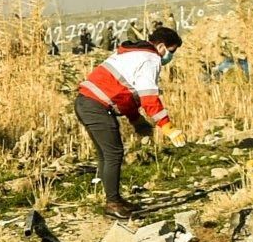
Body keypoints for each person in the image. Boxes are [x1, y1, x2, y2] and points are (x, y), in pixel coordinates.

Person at [74, 25, 181, 220]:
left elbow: (124, 95)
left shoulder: (131, 54)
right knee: (114, 153)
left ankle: (114, 199)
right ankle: (112, 203)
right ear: (161, 47)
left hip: (86, 102)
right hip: (96, 106)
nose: (170, 57)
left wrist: (136, 120)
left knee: (106, 154)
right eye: (171, 51)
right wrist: (167, 126)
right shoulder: (151, 59)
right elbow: (149, 97)